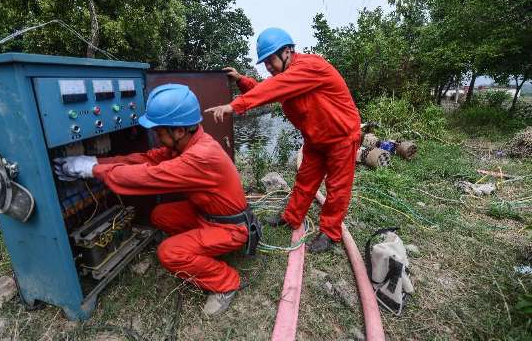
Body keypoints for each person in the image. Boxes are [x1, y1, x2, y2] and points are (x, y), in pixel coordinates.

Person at [54, 84, 259, 315]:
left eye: (159, 131)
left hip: (230, 228)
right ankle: (197, 251)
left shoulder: (201, 156)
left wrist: (92, 170)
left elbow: (148, 176)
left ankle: (226, 282)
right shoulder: (186, 143)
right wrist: (94, 162)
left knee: (168, 253)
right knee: (160, 215)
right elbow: (145, 160)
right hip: (208, 215)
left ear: (178, 131)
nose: (156, 137)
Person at [205, 28, 361, 253]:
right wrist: (241, 80)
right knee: (305, 180)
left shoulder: (310, 66)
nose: (268, 67)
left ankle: (330, 233)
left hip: (341, 137)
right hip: (315, 139)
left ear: (287, 51)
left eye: (270, 60)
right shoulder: (287, 78)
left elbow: (274, 87)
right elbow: (267, 90)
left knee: (337, 188)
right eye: (265, 63)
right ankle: (292, 217)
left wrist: (234, 105)